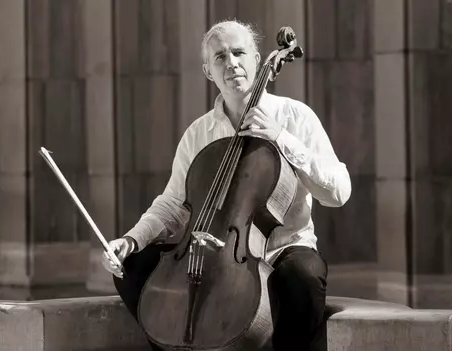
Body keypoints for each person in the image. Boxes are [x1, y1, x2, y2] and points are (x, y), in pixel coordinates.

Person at [102, 19, 351, 351]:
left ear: (256, 59)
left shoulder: (296, 117)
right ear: (208, 71)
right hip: (212, 252)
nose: (231, 63)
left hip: (282, 250)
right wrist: (132, 239)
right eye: (220, 57)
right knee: (131, 268)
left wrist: (280, 137)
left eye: (239, 53)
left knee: (304, 274)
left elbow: (339, 192)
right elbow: (172, 203)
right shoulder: (199, 133)